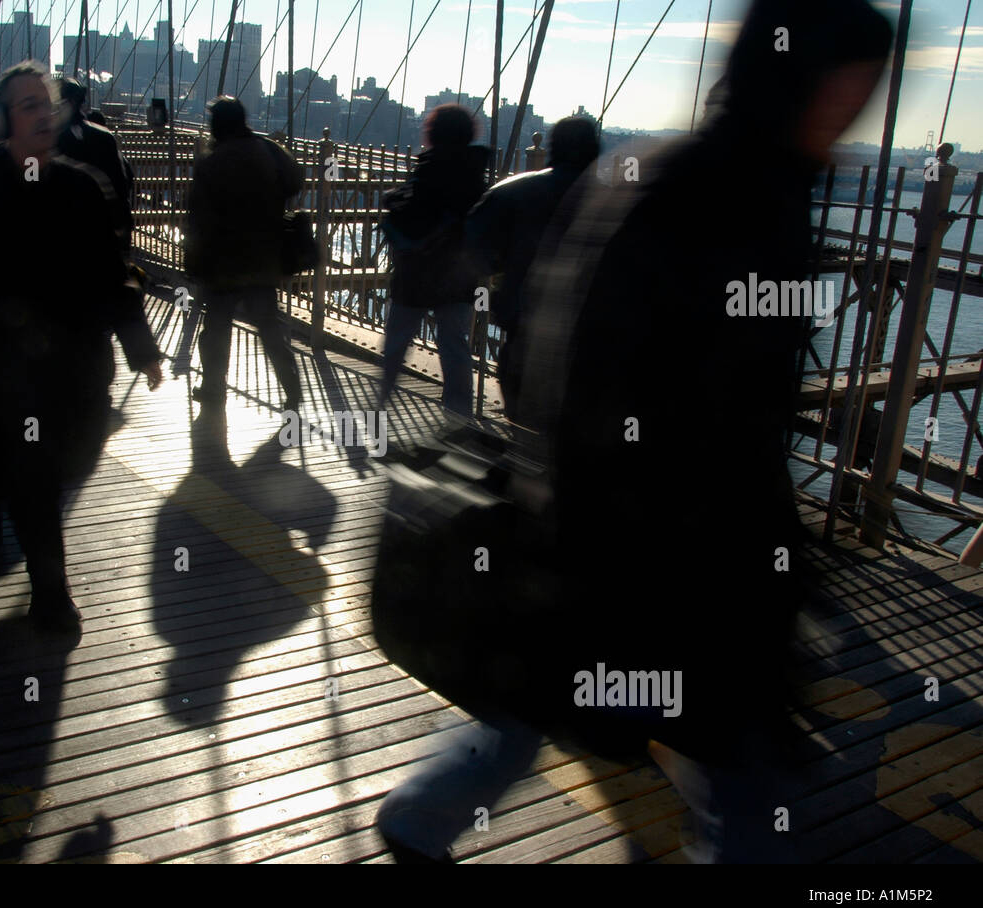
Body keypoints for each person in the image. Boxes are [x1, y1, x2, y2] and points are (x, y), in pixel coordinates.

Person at [373, 0, 894, 863]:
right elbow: (697, 387)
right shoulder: (732, 190)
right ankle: (422, 814)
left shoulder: (684, 172)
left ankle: (421, 815)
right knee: (723, 760)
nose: (862, 105)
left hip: (623, 528)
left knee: (545, 700)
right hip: (666, 540)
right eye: (854, 84)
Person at [0, 61, 164, 635]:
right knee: (36, 473)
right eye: (27, 105)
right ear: (2, 120)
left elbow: (111, 275)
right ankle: (52, 593)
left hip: (67, 368)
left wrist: (141, 347)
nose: (43, 113)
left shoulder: (81, 187)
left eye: (45, 103)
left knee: (41, 465)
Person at [465, 115, 599, 422]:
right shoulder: (617, 200)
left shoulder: (516, 190)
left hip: (527, 322)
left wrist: (499, 276)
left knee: (524, 417)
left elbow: (472, 243)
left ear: (553, 147)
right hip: (593, 337)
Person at [183, 95, 303, 410]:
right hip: (263, 257)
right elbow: (295, 180)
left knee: (217, 329)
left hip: (223, 263)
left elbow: (198, 218)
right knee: (269, 326)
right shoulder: (268, 150)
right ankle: (292, 387)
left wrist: (193, 262)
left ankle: (213, 387)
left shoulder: (212, 163)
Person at [378, 104, 489, 419]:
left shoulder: (429, 169)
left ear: (433, 133)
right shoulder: (476, 175)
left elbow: (414, 213)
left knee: (398, 339)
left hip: (417, 272)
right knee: (454, 344)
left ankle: (381, 408)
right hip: (459, 275)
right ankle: (459, 415)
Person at [57, 78, 134, 253]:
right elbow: (121, 187)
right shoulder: (104, 137)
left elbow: (29, 183)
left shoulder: (41, 140)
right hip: (99, 236)